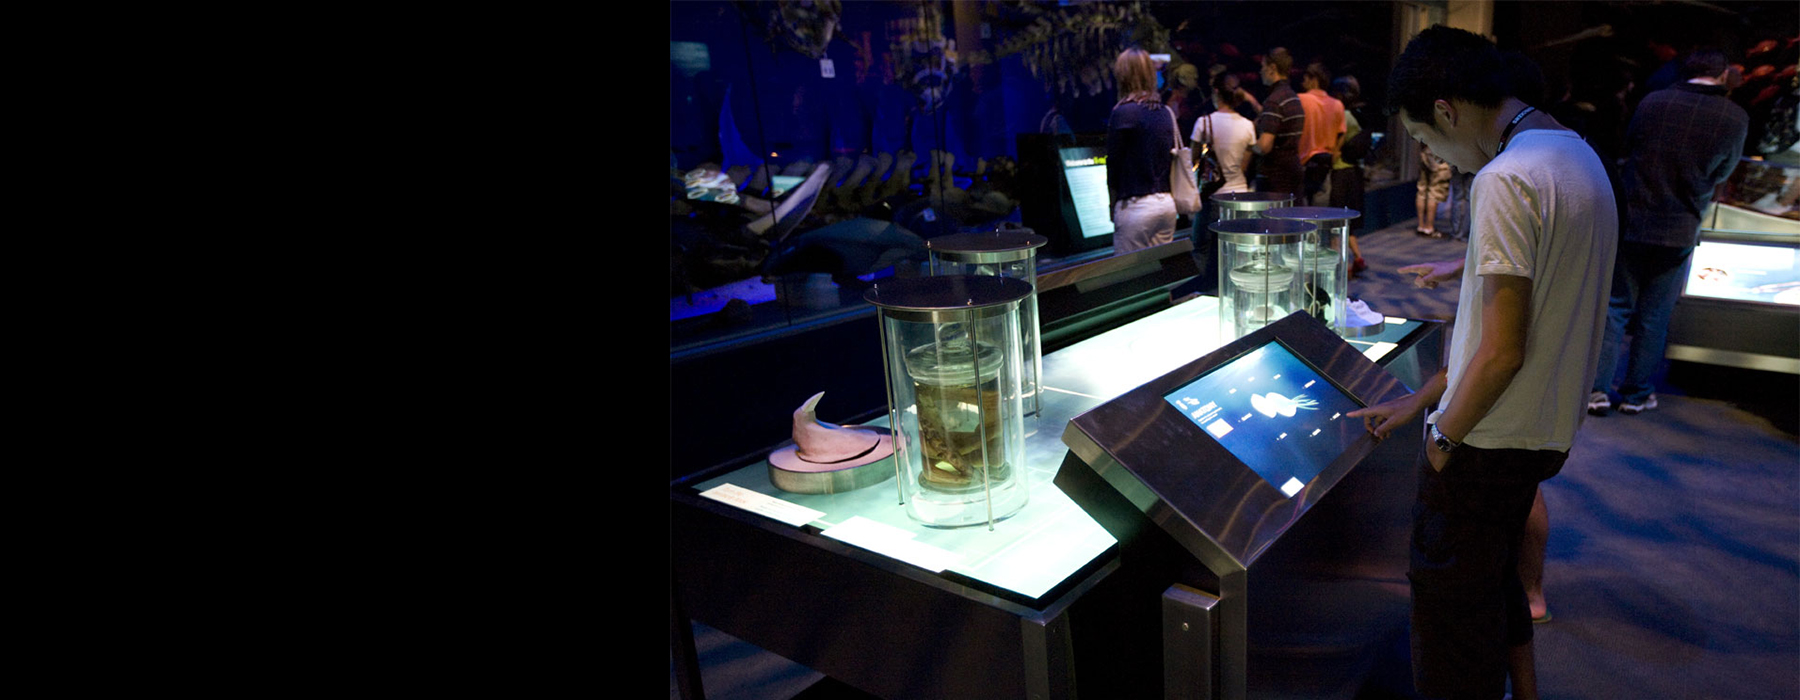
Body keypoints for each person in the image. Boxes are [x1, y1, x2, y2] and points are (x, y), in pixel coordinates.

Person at [1347, 26, 1617, 700]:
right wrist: (1421, 400)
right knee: (1494, 585)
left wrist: (1441, 436)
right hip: (1542, 436)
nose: (1440, 156)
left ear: (1446, 108)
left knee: (1449, 634)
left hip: (1486, 442)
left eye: (1429, 141)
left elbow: (1502, 349)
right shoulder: (1577, 157)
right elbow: (1519, 321)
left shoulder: (1506, 178)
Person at [1588, 49, 1748, 416]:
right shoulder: (1734, 116)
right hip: (1680, 226)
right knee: (1655, 315)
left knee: (1615, 309)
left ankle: (1595, 392)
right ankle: (1636, 393)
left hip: (1634, 220)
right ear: (1723, 75)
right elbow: (1724, 172)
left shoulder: (1653, 102)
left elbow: (1628, 148)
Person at [1106, 48, 1178, 255]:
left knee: (1130, 279)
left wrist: (1113, 204)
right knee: (1160, 275)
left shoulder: (1123, 112)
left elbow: (1114, 165)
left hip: (1136, 206)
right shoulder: (1164, 111)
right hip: (1166, 204)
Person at [1328, 75, 1369, 276]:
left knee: (1337, 223)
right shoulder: (1357, 114)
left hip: (1340, 171)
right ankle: (1358, 258)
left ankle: (1339, 268)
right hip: (1354, 172)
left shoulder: (1342, 115)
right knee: (1347, 222)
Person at [1252, 47, 1305, 200]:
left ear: (1272, 68)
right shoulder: (1292, 97)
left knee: (1272, 223)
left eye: (1263, 67)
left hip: (1275, 178)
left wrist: (1248, 148)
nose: (1260, 71)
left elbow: (1264, 146)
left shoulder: (1274, 100)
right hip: (1293, 170)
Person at [1297, 62, 1347, 204]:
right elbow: (1341, 133)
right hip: (1325, 165)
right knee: (1321, 214)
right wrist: (1335, 154)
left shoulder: (1300, 99)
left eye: (1305, 78)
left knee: (1300, 214)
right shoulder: (1338, 105)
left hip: (1303, 164)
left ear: (1314, 80)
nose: (1303, 82)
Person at [1414, 144, 1453, 237]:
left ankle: (1421, 226)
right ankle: (1429, 228)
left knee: (1422, 189)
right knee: (1436, 190)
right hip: (1438, 151)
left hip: (1425, 149)